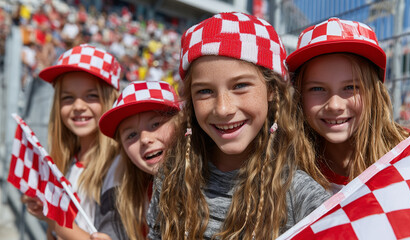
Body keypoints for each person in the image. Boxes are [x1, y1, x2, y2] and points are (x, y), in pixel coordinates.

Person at [147, 12, 331, 240]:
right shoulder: (171, 175)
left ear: (272, 90)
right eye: (205, 91)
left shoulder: (299, 194)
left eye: (240, 86)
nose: (223, 109)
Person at [286, 18, 410, 194]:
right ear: (299, 96)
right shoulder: (283, 172)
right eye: (317, 88)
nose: (335, 105)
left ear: (374, 94)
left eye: (351, 87)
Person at [21, 44, 122, 239]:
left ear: (110, 99)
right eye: (68, 98)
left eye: (91, 96)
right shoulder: (67, 161)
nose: (78, 106)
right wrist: (47, 211)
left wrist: (52, 217)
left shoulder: (118, 167)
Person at [90, 80, 180, 240]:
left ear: (180, 123)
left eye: (155, 124)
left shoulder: (213, 179)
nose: (145, 139)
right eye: (131, 135)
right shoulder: (135, 197)